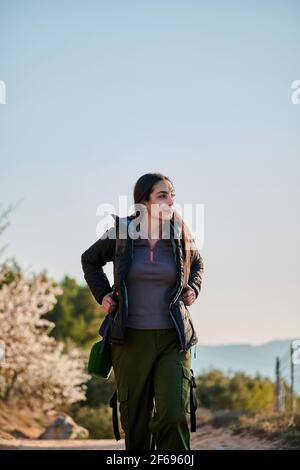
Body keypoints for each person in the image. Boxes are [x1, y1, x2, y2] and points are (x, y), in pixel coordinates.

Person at [81, 172, 204, 450]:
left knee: (173, 416)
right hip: (130, 340)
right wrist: (102, 295)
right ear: (143, 202)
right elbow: (89, 260)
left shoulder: (180, 233)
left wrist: (193, 287)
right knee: (135, 425)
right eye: (162, 195)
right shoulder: (122, 234)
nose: (171, 200)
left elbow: (197, 265)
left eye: (172, 194)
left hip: (174, 339)